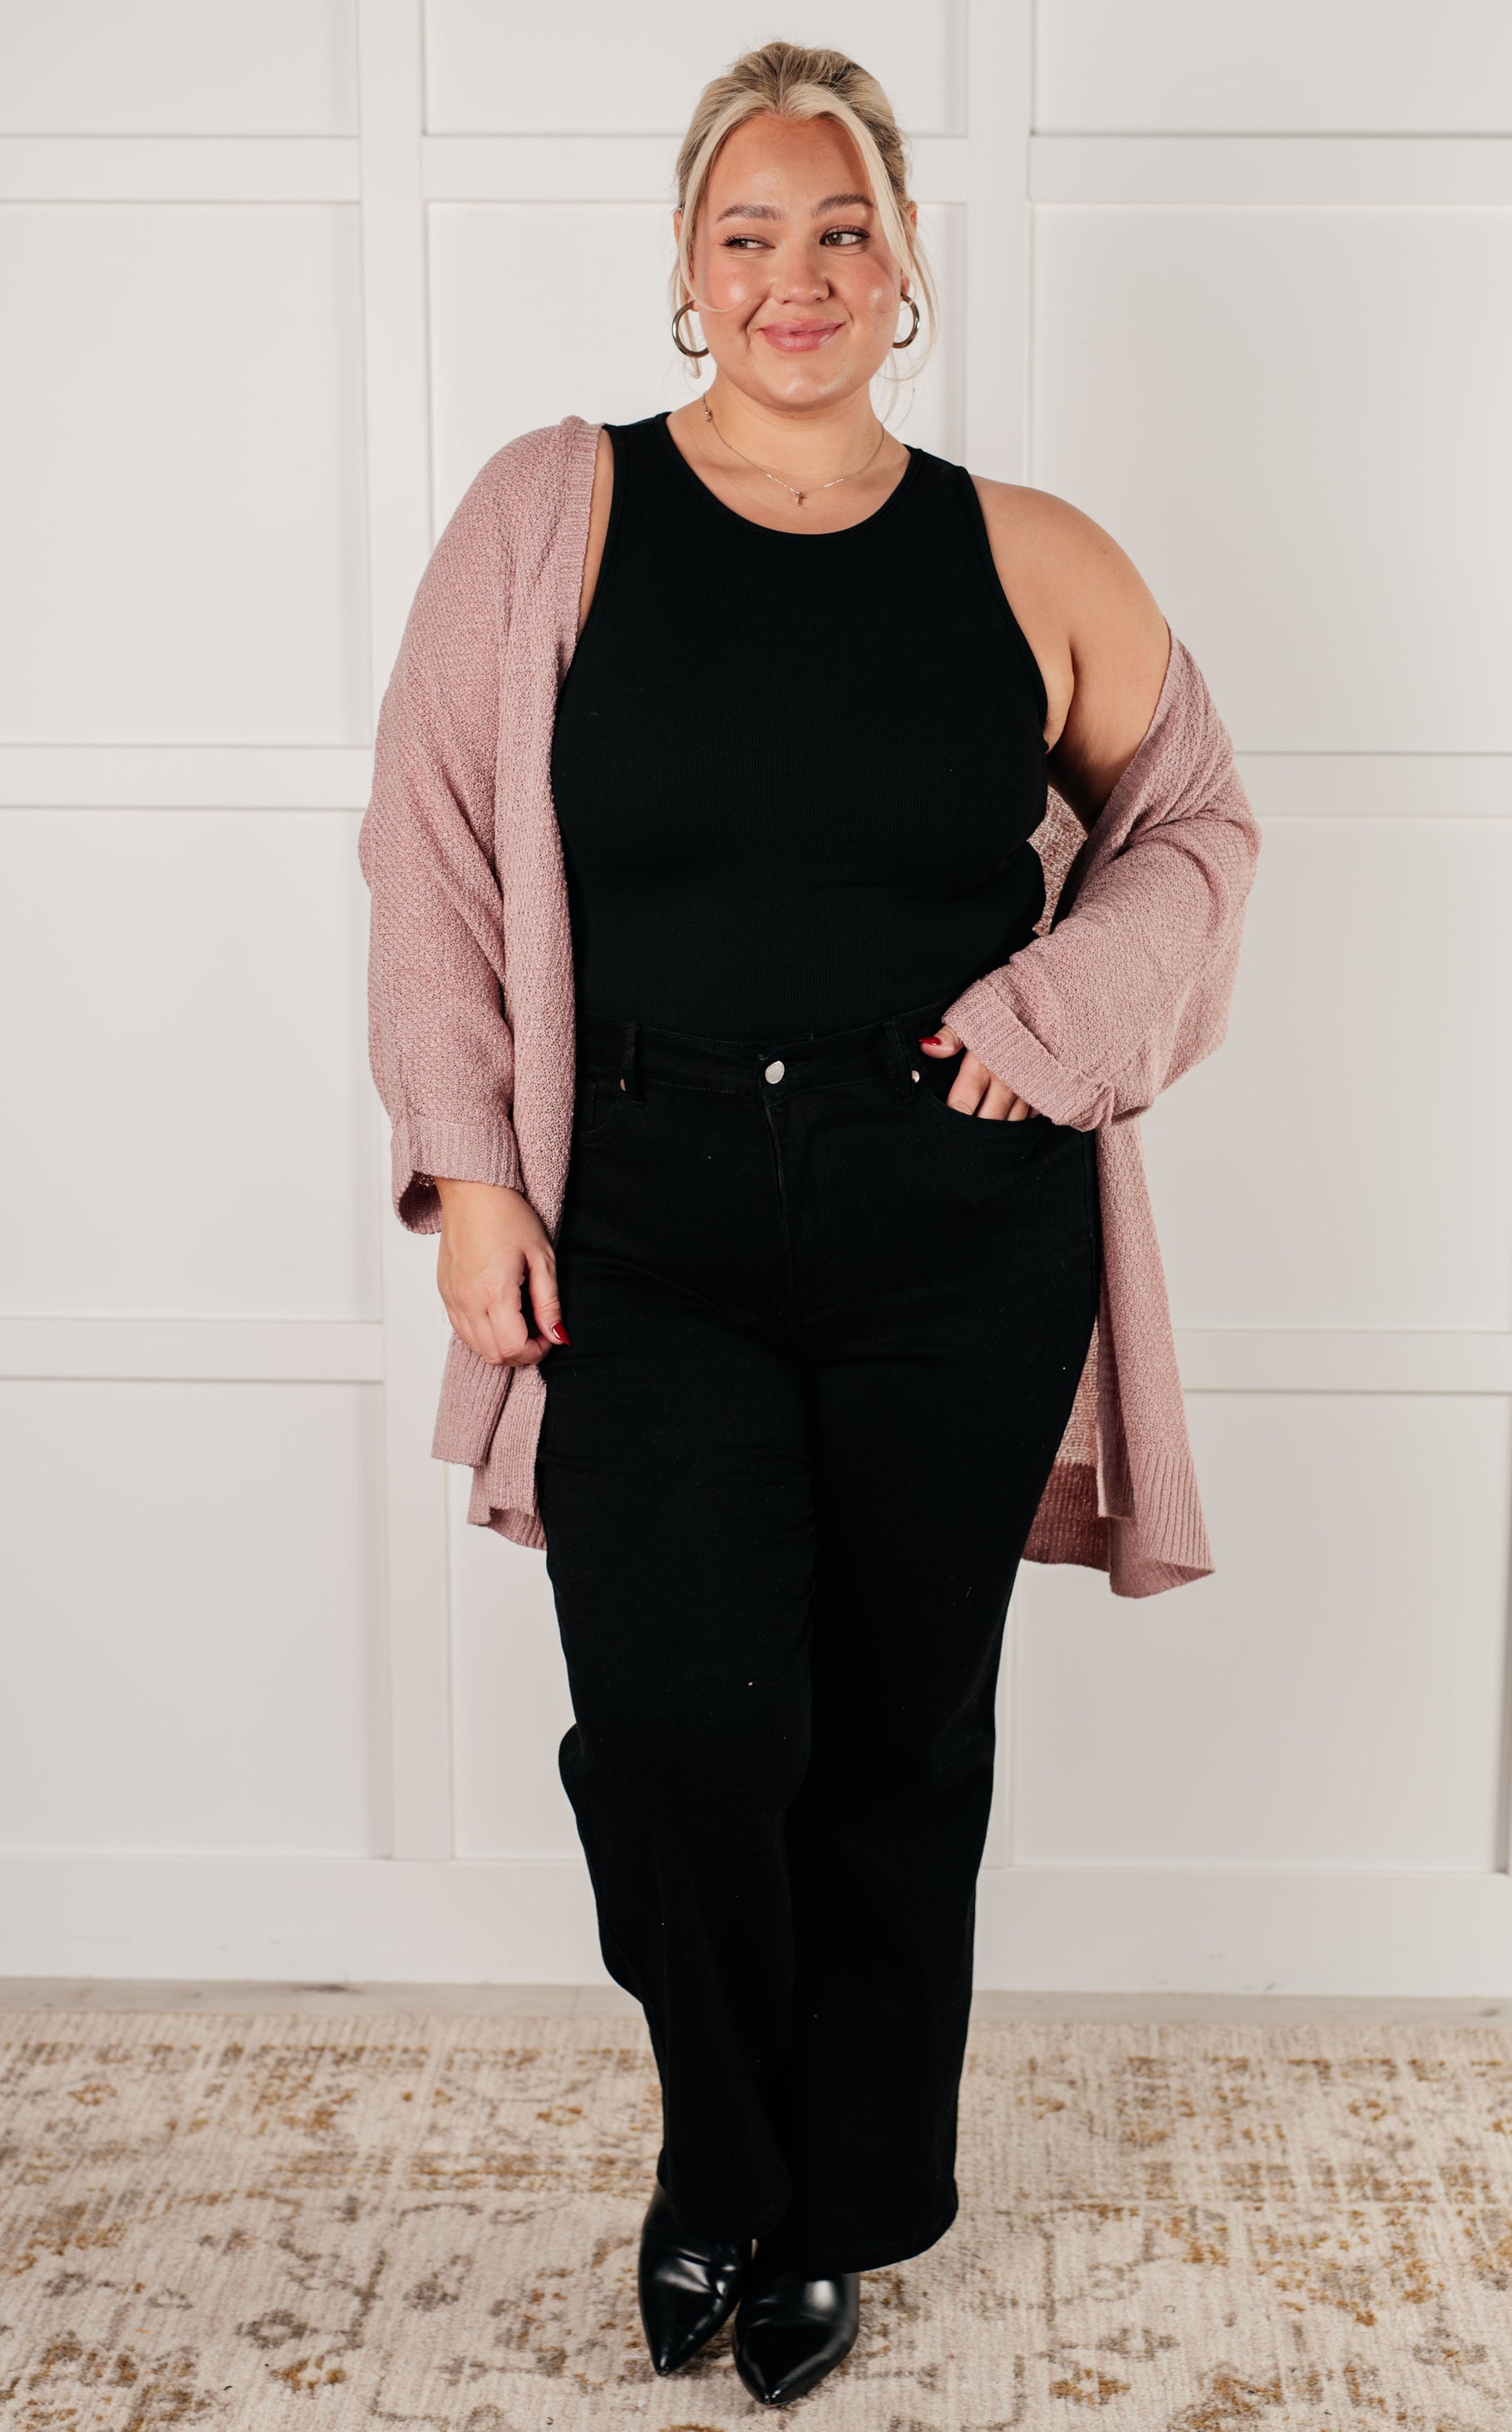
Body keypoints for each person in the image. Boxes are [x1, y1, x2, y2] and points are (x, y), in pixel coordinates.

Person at [358, 39, 1260, 2410]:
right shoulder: (551, 516)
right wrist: (470, 1166)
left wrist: (1056, 1012)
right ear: (687, 263)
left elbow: (1197, 828)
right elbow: (429, 852)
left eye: (840, 229)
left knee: (892, 1740)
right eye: (748, 232)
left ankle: (833, 2208)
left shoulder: (1030, 554)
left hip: (952, 1222)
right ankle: (718, 2148)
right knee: (679, 1733)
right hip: (638, 1210)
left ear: (903, 261)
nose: (796, 274)